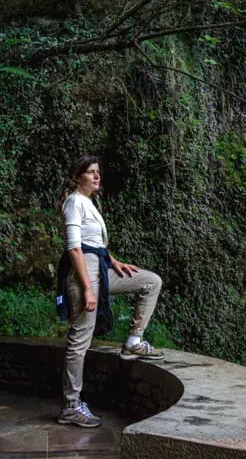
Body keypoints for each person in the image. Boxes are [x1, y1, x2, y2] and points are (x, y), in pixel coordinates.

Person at [56, 155, 164, 428]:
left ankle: (133, 342)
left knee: (150, 281)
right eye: (91, 172)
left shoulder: (89, 203)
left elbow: (94, 243)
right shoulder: (74, 202)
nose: (97, 176)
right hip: (83, 273)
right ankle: (71, 406)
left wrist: (113, 261)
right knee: (80, 341)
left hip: (101, 268)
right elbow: (74, 248)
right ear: (77, 176)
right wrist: (88, 289)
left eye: (98, 172)